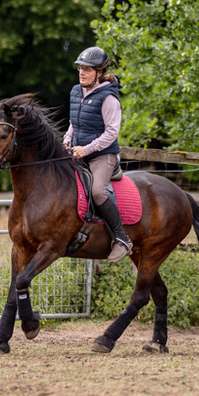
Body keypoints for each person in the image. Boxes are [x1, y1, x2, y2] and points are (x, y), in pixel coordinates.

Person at [62, 46, 133, 262]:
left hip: (103, 156)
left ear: (99, 73)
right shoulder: (76, 92)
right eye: (80, 69)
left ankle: (122, 239)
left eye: (87, 69)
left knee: (98, 192)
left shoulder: (108, 98)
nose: (82, 73)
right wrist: (67, 139)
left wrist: (87, 149)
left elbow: (112, 132)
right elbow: (74, 122)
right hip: (78, 152)